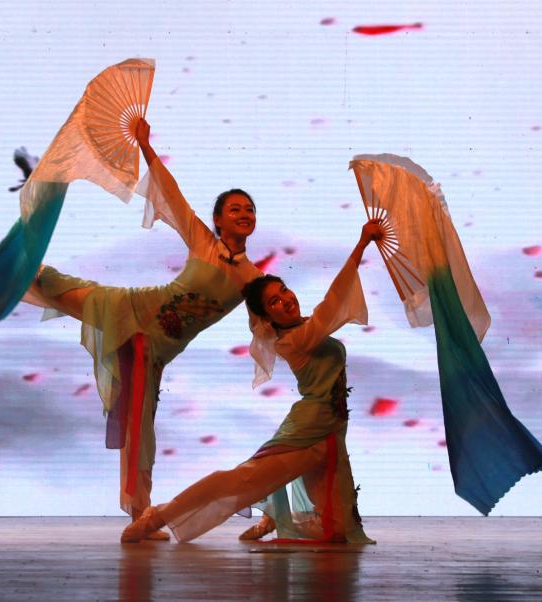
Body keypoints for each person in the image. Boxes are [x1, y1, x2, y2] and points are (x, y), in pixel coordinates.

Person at [0, 119, 262, 539]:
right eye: (235, 209)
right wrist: (146, 145)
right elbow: (170, 194)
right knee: (57, 285)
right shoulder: (204, 242)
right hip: (130, 309)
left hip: (156, 350)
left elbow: (273, 320)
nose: (244, 214)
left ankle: (140, 515)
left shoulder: (253, 280)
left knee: (140, 430)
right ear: (218, 219)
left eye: (249, 209)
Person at [121, 220, 385, 544]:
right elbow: (333, 303)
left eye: (283, 291)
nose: (285, 300)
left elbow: (324, 314)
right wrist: (361, 245)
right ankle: (156, 516)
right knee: (241, 481)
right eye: (274, 302)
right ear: (268, 318)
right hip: (310, 432)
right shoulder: (294, 340)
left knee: (340, 529)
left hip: (332, 430)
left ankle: (273, 519)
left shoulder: (304, 327)